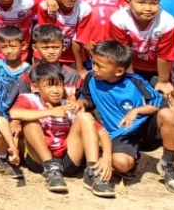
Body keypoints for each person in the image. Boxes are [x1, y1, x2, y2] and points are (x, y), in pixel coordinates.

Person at [76, 40, 174, 193]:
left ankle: (168, 164)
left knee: (168, 115)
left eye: (99, 66)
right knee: (121, 163)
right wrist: (81, 102)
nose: (94, 68)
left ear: (119, 71)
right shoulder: (90, 79)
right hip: (119, 134)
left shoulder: (136, 81)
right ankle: (128, 161)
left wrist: (136, 111)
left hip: (143, 128)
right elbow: (86, 98)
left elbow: (158, 103)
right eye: (93, 63)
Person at [10, 63, 115, 197]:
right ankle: (51, 169)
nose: (55, 90)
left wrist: (106, 157)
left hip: (68, 159)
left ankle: (92, 172)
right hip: (39, 160)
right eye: (49, 86)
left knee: (85, 117)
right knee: (30, 122)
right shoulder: (29, 99)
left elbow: (101, 132)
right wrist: (50, 112)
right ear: (36, 87)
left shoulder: (69, 105)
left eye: (59, 85)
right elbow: (14, 113)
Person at [107, 0, 174, 93]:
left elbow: (165, 56)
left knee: (164, 96)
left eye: (153, 3)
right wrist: (130, 77)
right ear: (128, 3)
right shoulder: (119, 19)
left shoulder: (167, 22)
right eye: (141, 3)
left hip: (158, 68)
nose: (148, 8)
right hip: (129, 65)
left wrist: (163, 81)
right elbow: (122, 51)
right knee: (130, 93)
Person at [34, 0, 93, 69]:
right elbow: (43, 36)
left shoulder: (84, 9)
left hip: (73, 56)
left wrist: (80, 68)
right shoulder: (44, 7)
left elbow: (78, 40)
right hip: (48, 54)